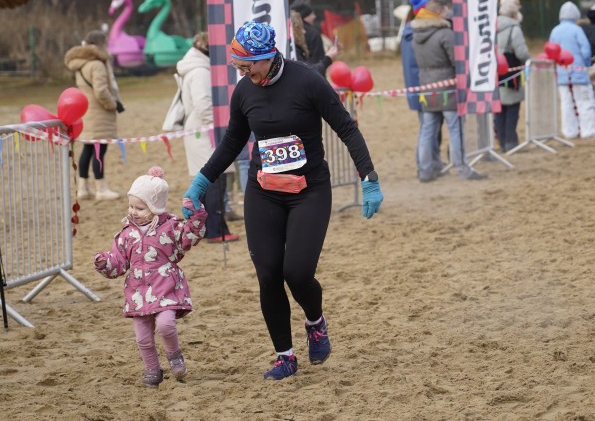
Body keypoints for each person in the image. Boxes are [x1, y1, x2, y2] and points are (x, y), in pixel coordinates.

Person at [180, 21, 382, 381]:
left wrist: (368, 178)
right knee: (269, 274)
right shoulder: (244, 91)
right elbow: (231, 144)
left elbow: (346, 128)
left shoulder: (307, 81)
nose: (244, 73)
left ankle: (315, 322)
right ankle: (285, 356)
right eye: (238, 68)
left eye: (248, 66)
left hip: (310, 191)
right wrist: (200, 183)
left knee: (298, 273)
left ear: (267, 56)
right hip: (264, 191)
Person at [93, 166, 207, 388]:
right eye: (131, 206)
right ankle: (153, 369)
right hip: (138, 292)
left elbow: (189, 237)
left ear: (155, 207)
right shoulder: (126, 235)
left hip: (165, 287)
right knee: (143, 338)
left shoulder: (170, 227)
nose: (133, 212)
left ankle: (175, 356)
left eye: (140, 208)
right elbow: (119, 264)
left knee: (166, 325)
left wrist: (197, 215)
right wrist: (105, 262)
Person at [411, 0, 487, 181]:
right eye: (445, 12)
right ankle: (463, 170)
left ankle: (425, 171)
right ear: (437, 13)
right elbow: (457, 60)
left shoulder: (415, 35)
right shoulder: (445, 33)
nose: (448, 15)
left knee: (427, 130)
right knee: (455, 129)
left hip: (428, 89)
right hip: (447, 89)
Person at [176, 32, 238, 242]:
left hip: (201, 130)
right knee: (213, 180)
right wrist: (222, 127)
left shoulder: (196, 68)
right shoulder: (201, 71)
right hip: (206, 131)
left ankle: (202, 228)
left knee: (206, 182)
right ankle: (215, 231)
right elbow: (204, 104)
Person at [64, 30, 124, 200]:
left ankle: (83, 188)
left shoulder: (81, 63)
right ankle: (101, 188)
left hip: (86, 112)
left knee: (88, 149)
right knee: (99, 151)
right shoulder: (97, 64)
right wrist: (112, 104)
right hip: (99, 113)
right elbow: (101, 90)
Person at [401, 0, 444, 176]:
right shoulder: (416, 35)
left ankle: (432, 163)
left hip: (420, 87)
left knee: (429, 128)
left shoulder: (410, 33)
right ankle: (426, 165)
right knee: (428, 128)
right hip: (424, 88)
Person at [549, 2, 595, 139]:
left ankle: (569, 131)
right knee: (585, 101)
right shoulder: (577, 30)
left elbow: (551, 51)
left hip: (561, 74)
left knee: (566, 103)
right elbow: (585, 50)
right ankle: (588, 130)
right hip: (578, 73)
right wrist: (586, 65)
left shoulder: (554, 31)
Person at [494, 0, 530, 153]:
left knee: (499, 109)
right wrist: (527, 61)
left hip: (495, 73)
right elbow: (522, 53)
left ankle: (501, 142)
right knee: (512, 109)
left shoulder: (491, 27)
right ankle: (511, 142)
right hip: (512, 74)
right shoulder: (514, 29)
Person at [289, 0, 339, 76]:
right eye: (311, 14)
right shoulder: (313, 34)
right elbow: (311, 70)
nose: (314, 16)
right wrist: (328, 59)